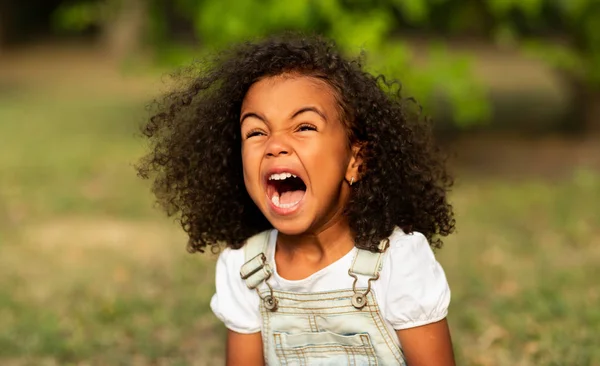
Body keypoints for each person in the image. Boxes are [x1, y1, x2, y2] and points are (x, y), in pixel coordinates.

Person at [137, 33, 456, 365]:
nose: (275, 145)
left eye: (304, 127)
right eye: (256, 132)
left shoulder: (397, 262)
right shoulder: (246, 268)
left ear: (356, 160)